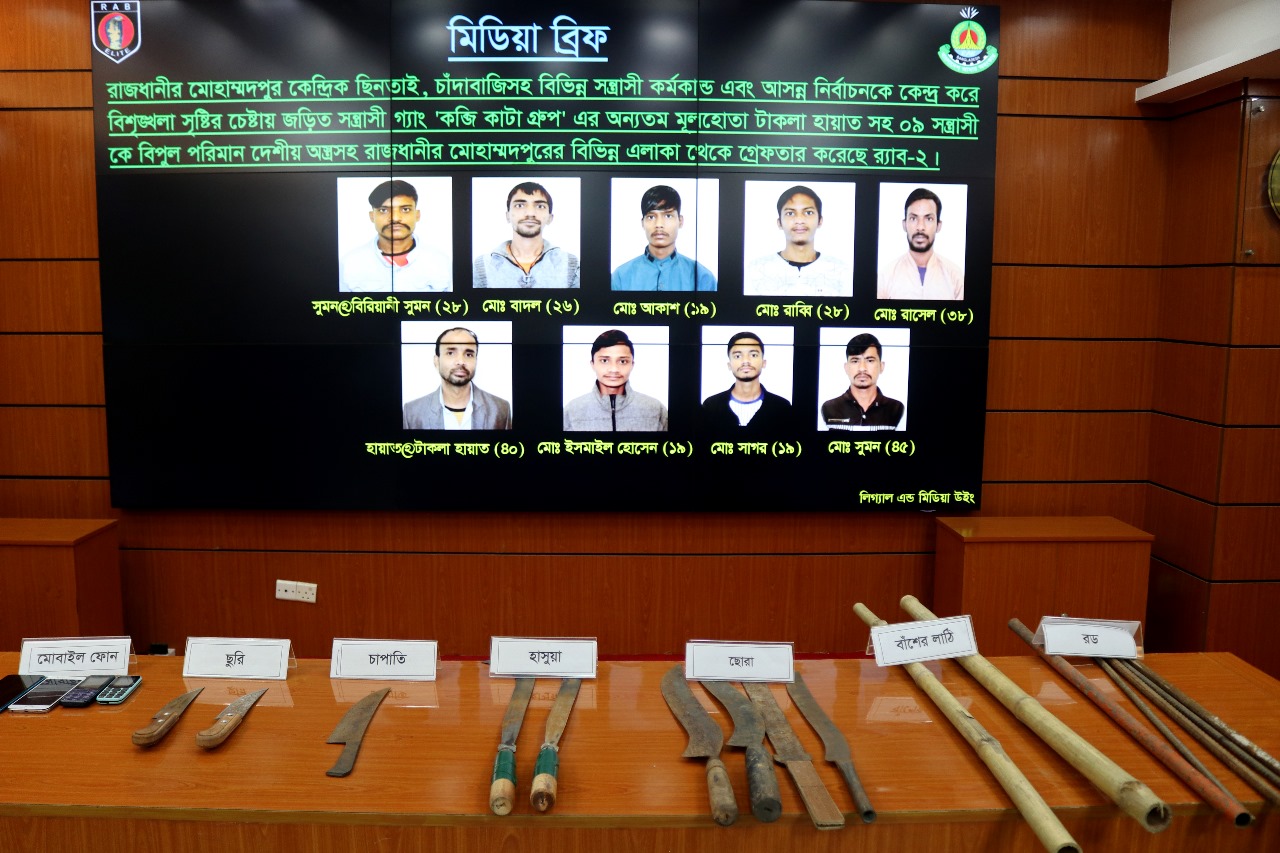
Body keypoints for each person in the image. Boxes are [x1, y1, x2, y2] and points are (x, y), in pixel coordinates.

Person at [340, 179, 451, 292]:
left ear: (417, 215)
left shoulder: (442, 262)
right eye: (383, 210)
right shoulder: (349, 263)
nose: (395, 218)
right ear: (372, 216)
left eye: (405, 209)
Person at [744, 185, 851, 298]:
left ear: (820, 221)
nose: (799, 220)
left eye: (808, 212)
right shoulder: (756, 270)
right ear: (779, 223)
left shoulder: (840, 271)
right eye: (790, 213)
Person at [474, 182, 580, 288]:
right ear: (507, 216)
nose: (530, 213)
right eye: (519, 205)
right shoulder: (482, 266)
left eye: (540, 206)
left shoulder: (570, 265)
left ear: (550, 218)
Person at [611, 185, 716, 291]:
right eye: (651, 217)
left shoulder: (703, 278)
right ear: (642, 223)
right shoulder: (621, 277)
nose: (659, 224)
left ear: (680, 221)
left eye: (668, 216)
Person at [403, 327, 511, 430]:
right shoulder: (412, 412)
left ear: (476, 361)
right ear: (436, 361)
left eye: (468, 354)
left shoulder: (501, 409)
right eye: (450, 353)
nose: (461, 361)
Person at [563, 329, 667, 431]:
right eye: (604, 360)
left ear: (632, 365)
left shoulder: (655, 409)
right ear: (593, 364)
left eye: (622, 361)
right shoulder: (572, 411)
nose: (614, 369)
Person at [877, 187, 964, 300]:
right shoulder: (886, 277)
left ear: (938, 225)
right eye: (913, 218)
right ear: (904, 224)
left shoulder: (955, 276)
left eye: (929, 219)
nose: (920, 227)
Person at [700, 332, 793, 437]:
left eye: (753, 355)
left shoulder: (782, 407)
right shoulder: (711, 406)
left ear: (764, 363)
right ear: (729, 365)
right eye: (738, 356)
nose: (745, 361)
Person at [820, 333, 904, 430]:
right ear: (846, 368)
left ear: (881, 366)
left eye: (870, 360)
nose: (862, 368)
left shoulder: (896, 409)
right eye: (855, 361)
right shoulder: (829, 408)